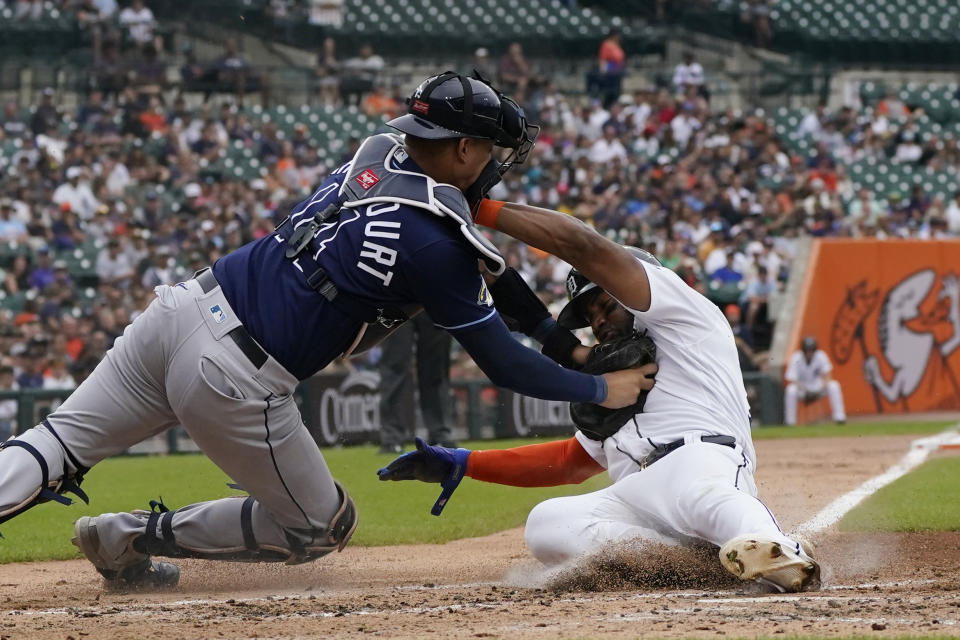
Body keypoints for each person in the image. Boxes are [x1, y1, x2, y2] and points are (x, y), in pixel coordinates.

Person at [0, 72, 654, 589]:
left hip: (180, 308)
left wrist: (565, 343)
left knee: (54, 443)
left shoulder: (377, 153)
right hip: (234, 375)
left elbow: (495, 273)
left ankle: (98, 525)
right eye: (488, 150)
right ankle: (124, 536)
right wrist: (600, 389)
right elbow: (505, 365)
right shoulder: (436, 246)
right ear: (462, 148)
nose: (496, 163)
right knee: (321, 526)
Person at [379, 196, 822, 594]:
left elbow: (585, 247)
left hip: (700, 460)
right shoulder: (614, 374)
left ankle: (781, 553)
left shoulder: (683, 313)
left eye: (605, 304)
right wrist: (464, 463)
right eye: (590, 315)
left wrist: (478, 206)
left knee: (705, 497)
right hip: (634, 493)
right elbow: (572, 463)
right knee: (546, 523)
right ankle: (688, 561)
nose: (599, 321)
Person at [377, 314, 455, 454]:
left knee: (436, 368)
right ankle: (392, 437)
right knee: (394, 367)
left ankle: (440, 434)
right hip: (397, 299)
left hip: (434, 301)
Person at [783, 337, 846, 426]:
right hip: (802, 388)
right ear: (803, 350)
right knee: (790, 390)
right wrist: (805, 390)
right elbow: (792, 379)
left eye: (812, 350)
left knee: (834, 385)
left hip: (818, 387)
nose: (810, 352)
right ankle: (790, 422)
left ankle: (840, 418)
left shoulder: (821, 356)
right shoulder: (796, 357)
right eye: (807, 350)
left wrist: (819, 389)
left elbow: (828, 376)